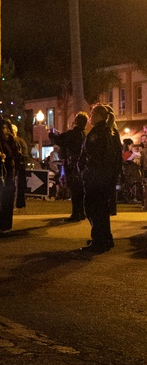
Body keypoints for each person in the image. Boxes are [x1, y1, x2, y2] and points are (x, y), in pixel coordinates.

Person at [78, 104, 123, 253]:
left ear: (98, 116)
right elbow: (117, 158)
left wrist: (85, 171)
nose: (90, 116)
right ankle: (106, 238)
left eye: (92, 113)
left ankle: (99, 240)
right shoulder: (113, 132)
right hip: (107, 177)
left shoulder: (97, 133)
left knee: (93, 208)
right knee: (102, 209)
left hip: (95, 177)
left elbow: (91, 155)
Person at [49, 112, 89, 223]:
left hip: (71, 164)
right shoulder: (84, 135)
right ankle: (81, 212)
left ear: (75, 121)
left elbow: (59, 140)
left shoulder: (71, 134)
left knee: (74, 189)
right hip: (81, 165)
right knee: (80, 190)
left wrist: (52, 134)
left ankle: (76, 213)